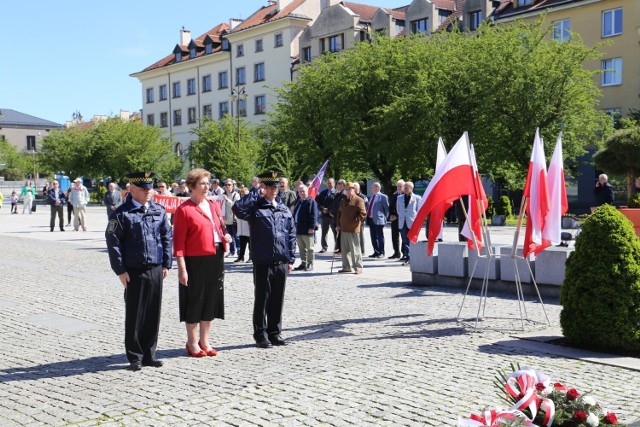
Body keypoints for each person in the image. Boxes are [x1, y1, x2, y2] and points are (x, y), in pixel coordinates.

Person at [105, 171, 173, 371]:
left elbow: (167, 237)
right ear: (131, 190)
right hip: (133, 271)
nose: (148, 192)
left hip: (156, 267)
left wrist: (167, 264)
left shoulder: (158, 210)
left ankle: (149, 353)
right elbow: (113, 243)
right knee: (135, 314)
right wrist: (120, 270)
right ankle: (135, 356)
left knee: (153, 313)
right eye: (143, 189)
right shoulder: (121, 213)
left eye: (150, 188)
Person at [232, 170, 296, 349]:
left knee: (277, 299)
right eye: (269, 186)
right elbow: (237, 209)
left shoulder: (283, 208)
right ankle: (260, 334)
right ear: (263, 187)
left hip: (281, 261)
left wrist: (290, 259)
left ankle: (274, 332)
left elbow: (290, 234)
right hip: (263, 261)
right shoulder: (255, 207)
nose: (273, 190)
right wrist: (254, 193)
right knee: (262, 299)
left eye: (276, 186)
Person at [173, 168, 232, 358]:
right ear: (191, 186)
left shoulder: (214, 205)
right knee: (195, 299)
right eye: (202, 183)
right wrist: (182, 268)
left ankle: (205, 340)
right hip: (194, 260)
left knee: (211, 299)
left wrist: (226, 236)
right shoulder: (184, 209)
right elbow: (179, 243)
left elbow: (220, 227)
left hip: (215, 256)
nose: (206, 187)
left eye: (208, 183)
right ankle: (192, 342)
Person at [336, 182, 367, 274]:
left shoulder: (359, 200)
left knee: (355, 250)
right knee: (345, 250)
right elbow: (339, 213)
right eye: (346, 189)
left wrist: (354, 221)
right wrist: (338, 224)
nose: (348, 191)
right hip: (343, 228)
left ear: (354, 190)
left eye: (350, 189)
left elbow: (363, 214)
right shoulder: (343, 200)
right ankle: (346, 267)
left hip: (353, 228)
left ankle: (358, 267)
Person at [293, 184, 318, 271]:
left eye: (303, 191)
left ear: (307, 191)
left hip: (307, 229)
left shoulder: (311, 202)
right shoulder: (299, 201)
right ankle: (303, 263)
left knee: (310, 248)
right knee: (301, 248)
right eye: (300, 191)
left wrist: (312, 227)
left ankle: (310, 264)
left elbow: (314, 216)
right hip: (299, 228)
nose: (302, 193)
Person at [397, 181, 422, 266]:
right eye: (405, 187)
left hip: (412, 222)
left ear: (411, 188)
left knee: (412, 240)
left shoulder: (417, 198)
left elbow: (419, 211)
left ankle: (414, 257)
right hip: (402, 222)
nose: (405, 189)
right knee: (405, 240)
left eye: (407, 187)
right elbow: (398, 209)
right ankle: (408, 257)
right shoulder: (399, 198)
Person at [366, 182, 390, 258]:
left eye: (372, 187)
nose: (371, 189)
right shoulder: (371, 197)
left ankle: (381, 252)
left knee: (380, 236)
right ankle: (376, 251)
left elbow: (386, 208)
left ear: (377, 188)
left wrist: (384, 217)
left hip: (379, 220)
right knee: (373, 237)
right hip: (371, 219)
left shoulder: (383, 197)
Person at [316, 178, 336, 253]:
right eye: (328, 183)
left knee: (335, 232)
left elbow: (336, 204)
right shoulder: (323, 193)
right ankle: (324, 247)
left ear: (334, 183)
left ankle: (337, 247)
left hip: (332, 215)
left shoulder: (336, 193)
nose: (329, 184)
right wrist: (322, 209)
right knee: (324, 232)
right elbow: (318, 202)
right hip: (324, 216)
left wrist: (328, 209)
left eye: (331, 183)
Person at [222, 179, 240, 257]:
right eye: (226, 185)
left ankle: (239, 252)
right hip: (226, 219)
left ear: (232, 186)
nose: (227, 186)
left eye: (229, 185)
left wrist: (227, 200)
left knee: (236, 237)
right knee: (229, 237)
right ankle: (232, 251)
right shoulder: (223, 194)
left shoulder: (236, 195)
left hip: (234, 219)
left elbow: (236, 206)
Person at [388, 179, 405, 259]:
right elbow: (391, 207)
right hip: (394, 220)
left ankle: (404, 252)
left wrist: (396, 216)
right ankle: (396, 252)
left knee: (403, 236)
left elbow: (404, 209)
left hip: (402, 219)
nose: (398, 187)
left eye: (400, 186)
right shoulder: (395, 195)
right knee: (394, 236)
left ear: (404, 187)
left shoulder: (406, 196)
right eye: (397, 186)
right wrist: (391, 215)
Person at [330, 179, 346, 253]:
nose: (337, 184)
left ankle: (341, 249)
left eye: (339, 183)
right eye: (337, 183)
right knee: (336, 233)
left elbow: (339, 206)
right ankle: (339, 248)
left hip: (338, 216)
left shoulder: (344, 194)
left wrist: (334, 212)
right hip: (334, 216)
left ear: (343, 185)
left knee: (339, 233)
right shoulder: (338, 193)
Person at [235, 187, 251, 263]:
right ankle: (241, 257)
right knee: (242, 243)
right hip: (241, 225)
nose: (243, 196)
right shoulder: (239, 202)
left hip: (248, 226)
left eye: (245, 194)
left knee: (250, 243)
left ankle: (251, 257)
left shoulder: (250, 203)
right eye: (242, 194)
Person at [353, 182, 368, 255]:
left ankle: (362, 251)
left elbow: (366, 208)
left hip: (360, 219)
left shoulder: (363, 197)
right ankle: (354, 250)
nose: (354, 188)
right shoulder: (351, 197)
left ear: (358, 188)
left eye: (355, 187)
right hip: (352, 220)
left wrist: (362, 218)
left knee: (360, 235)